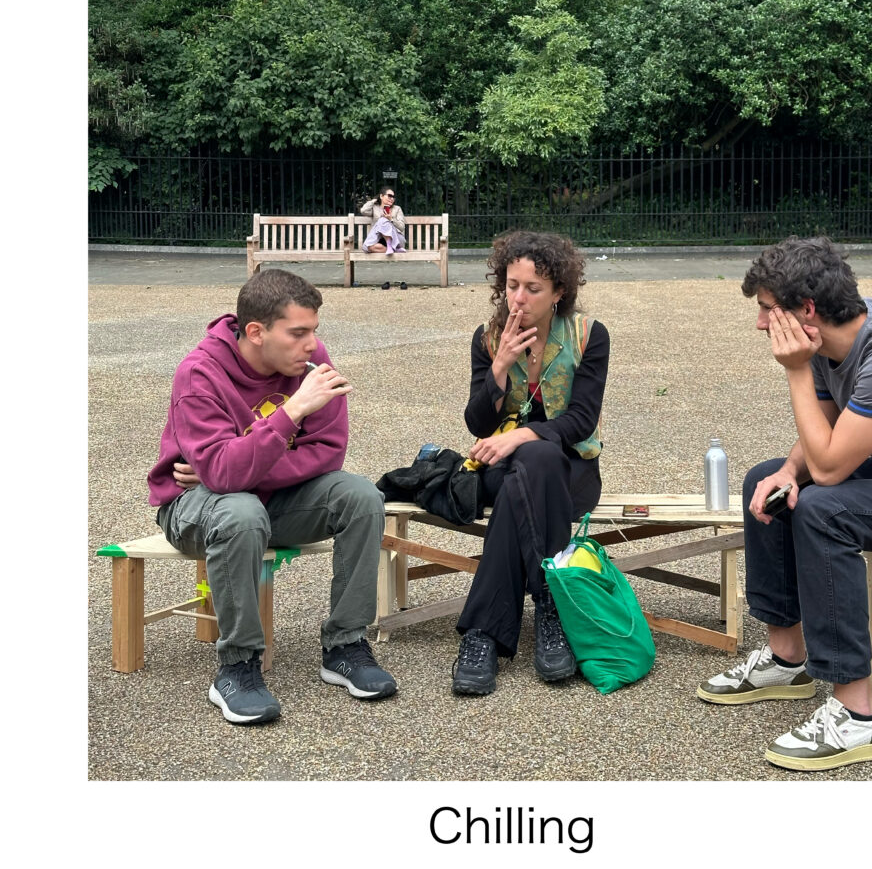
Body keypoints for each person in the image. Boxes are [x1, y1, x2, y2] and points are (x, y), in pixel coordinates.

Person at [697, 236, 872, 771]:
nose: (761, 324)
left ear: (806, 310)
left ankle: (857, 714)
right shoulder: (836, 343)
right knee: (770, 485)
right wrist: (786, 472)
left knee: (825, 511)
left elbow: (828, 470)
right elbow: (823, 435)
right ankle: (787, 659)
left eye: (767, 309)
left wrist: (796, 370)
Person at [147, 268, 397, 725]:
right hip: (191, 508)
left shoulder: (311, 363)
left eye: (314, 331)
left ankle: (345, 646)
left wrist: (236, 468)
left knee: (361, 496)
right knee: (240, 512)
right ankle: (238, 666)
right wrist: (292, 411)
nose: (312, 345)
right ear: (257, 332)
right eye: (298, 333)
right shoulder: (199, 373)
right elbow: (223, 473)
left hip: (262, 498)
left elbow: (327, 453)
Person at [452, 230, 609, 696]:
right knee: (526, 468)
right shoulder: (488, 339)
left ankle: (483, 634)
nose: (518, 297)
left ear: (559, 292)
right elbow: (477, 422)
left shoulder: (587, 336)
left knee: (537, 456)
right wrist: (499, 366)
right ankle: (550, 606)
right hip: (503, 470)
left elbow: (581, 421)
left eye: (533, 288)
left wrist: (522, 434)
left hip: (572, 472)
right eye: (512, 285)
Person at [360, 187, 406, 254]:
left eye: (393, 197)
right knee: (368, 247)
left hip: (396, 239)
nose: (392, 199)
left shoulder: (397, 209)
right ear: (381, 196)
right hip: (379, 239)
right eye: (389, 196)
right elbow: (363, 211)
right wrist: (374, 200)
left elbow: (402, 227)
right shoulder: (375, 208)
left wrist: (391, 219)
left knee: (383, 220)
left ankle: (390, 245)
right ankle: (392, 249)